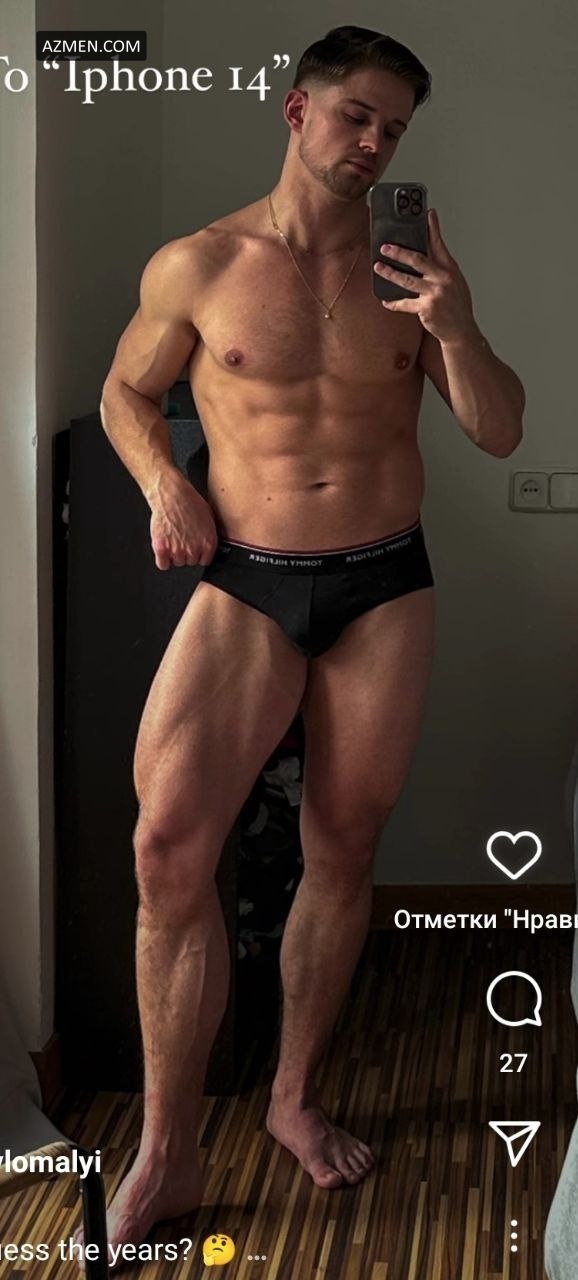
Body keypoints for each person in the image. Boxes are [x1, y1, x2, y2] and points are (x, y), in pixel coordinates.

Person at [88, 24, 526, 1255]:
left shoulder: (411, 268)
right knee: (166, 848)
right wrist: (165, 483)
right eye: (356, 116)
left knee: (340, 845)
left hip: (381, 585)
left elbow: (496, 429)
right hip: (247, 579)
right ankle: (166, 1150)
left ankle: (290, 1096)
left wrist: (454, 325)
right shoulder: (199, 263)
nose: (374, 143)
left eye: (394, 128)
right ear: (296, 111)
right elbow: (125, 391)